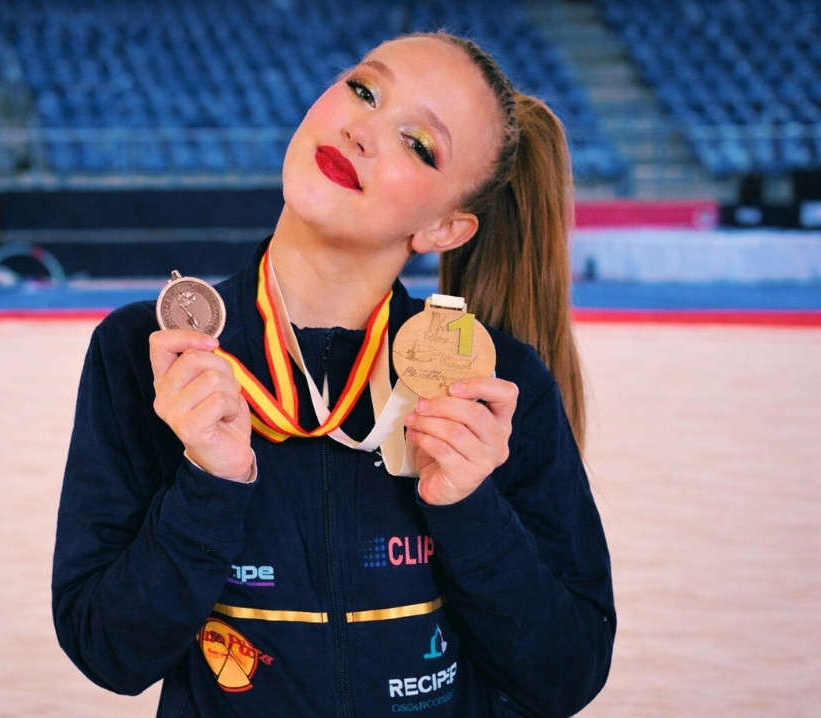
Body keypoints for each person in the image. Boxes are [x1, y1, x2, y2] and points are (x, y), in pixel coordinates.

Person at [52, 31, 615, 717]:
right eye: (364, 89)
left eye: (418, 143)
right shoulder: (150, 351)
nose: (363, 130)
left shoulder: (493, 390)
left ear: (445, 229)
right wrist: (207, 486)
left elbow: (566, 675)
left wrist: (471, 508)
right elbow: (109, 653)